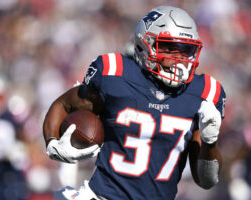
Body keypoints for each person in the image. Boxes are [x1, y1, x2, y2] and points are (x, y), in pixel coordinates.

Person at [43, 6, 226, 200]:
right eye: (169, 48)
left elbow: (206, 180)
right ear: (145, 44)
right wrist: (52, 144)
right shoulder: (115, 74)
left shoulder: (205, 93)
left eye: (185, 50)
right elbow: (63, 105)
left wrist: (210, 141)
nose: (178, 59)